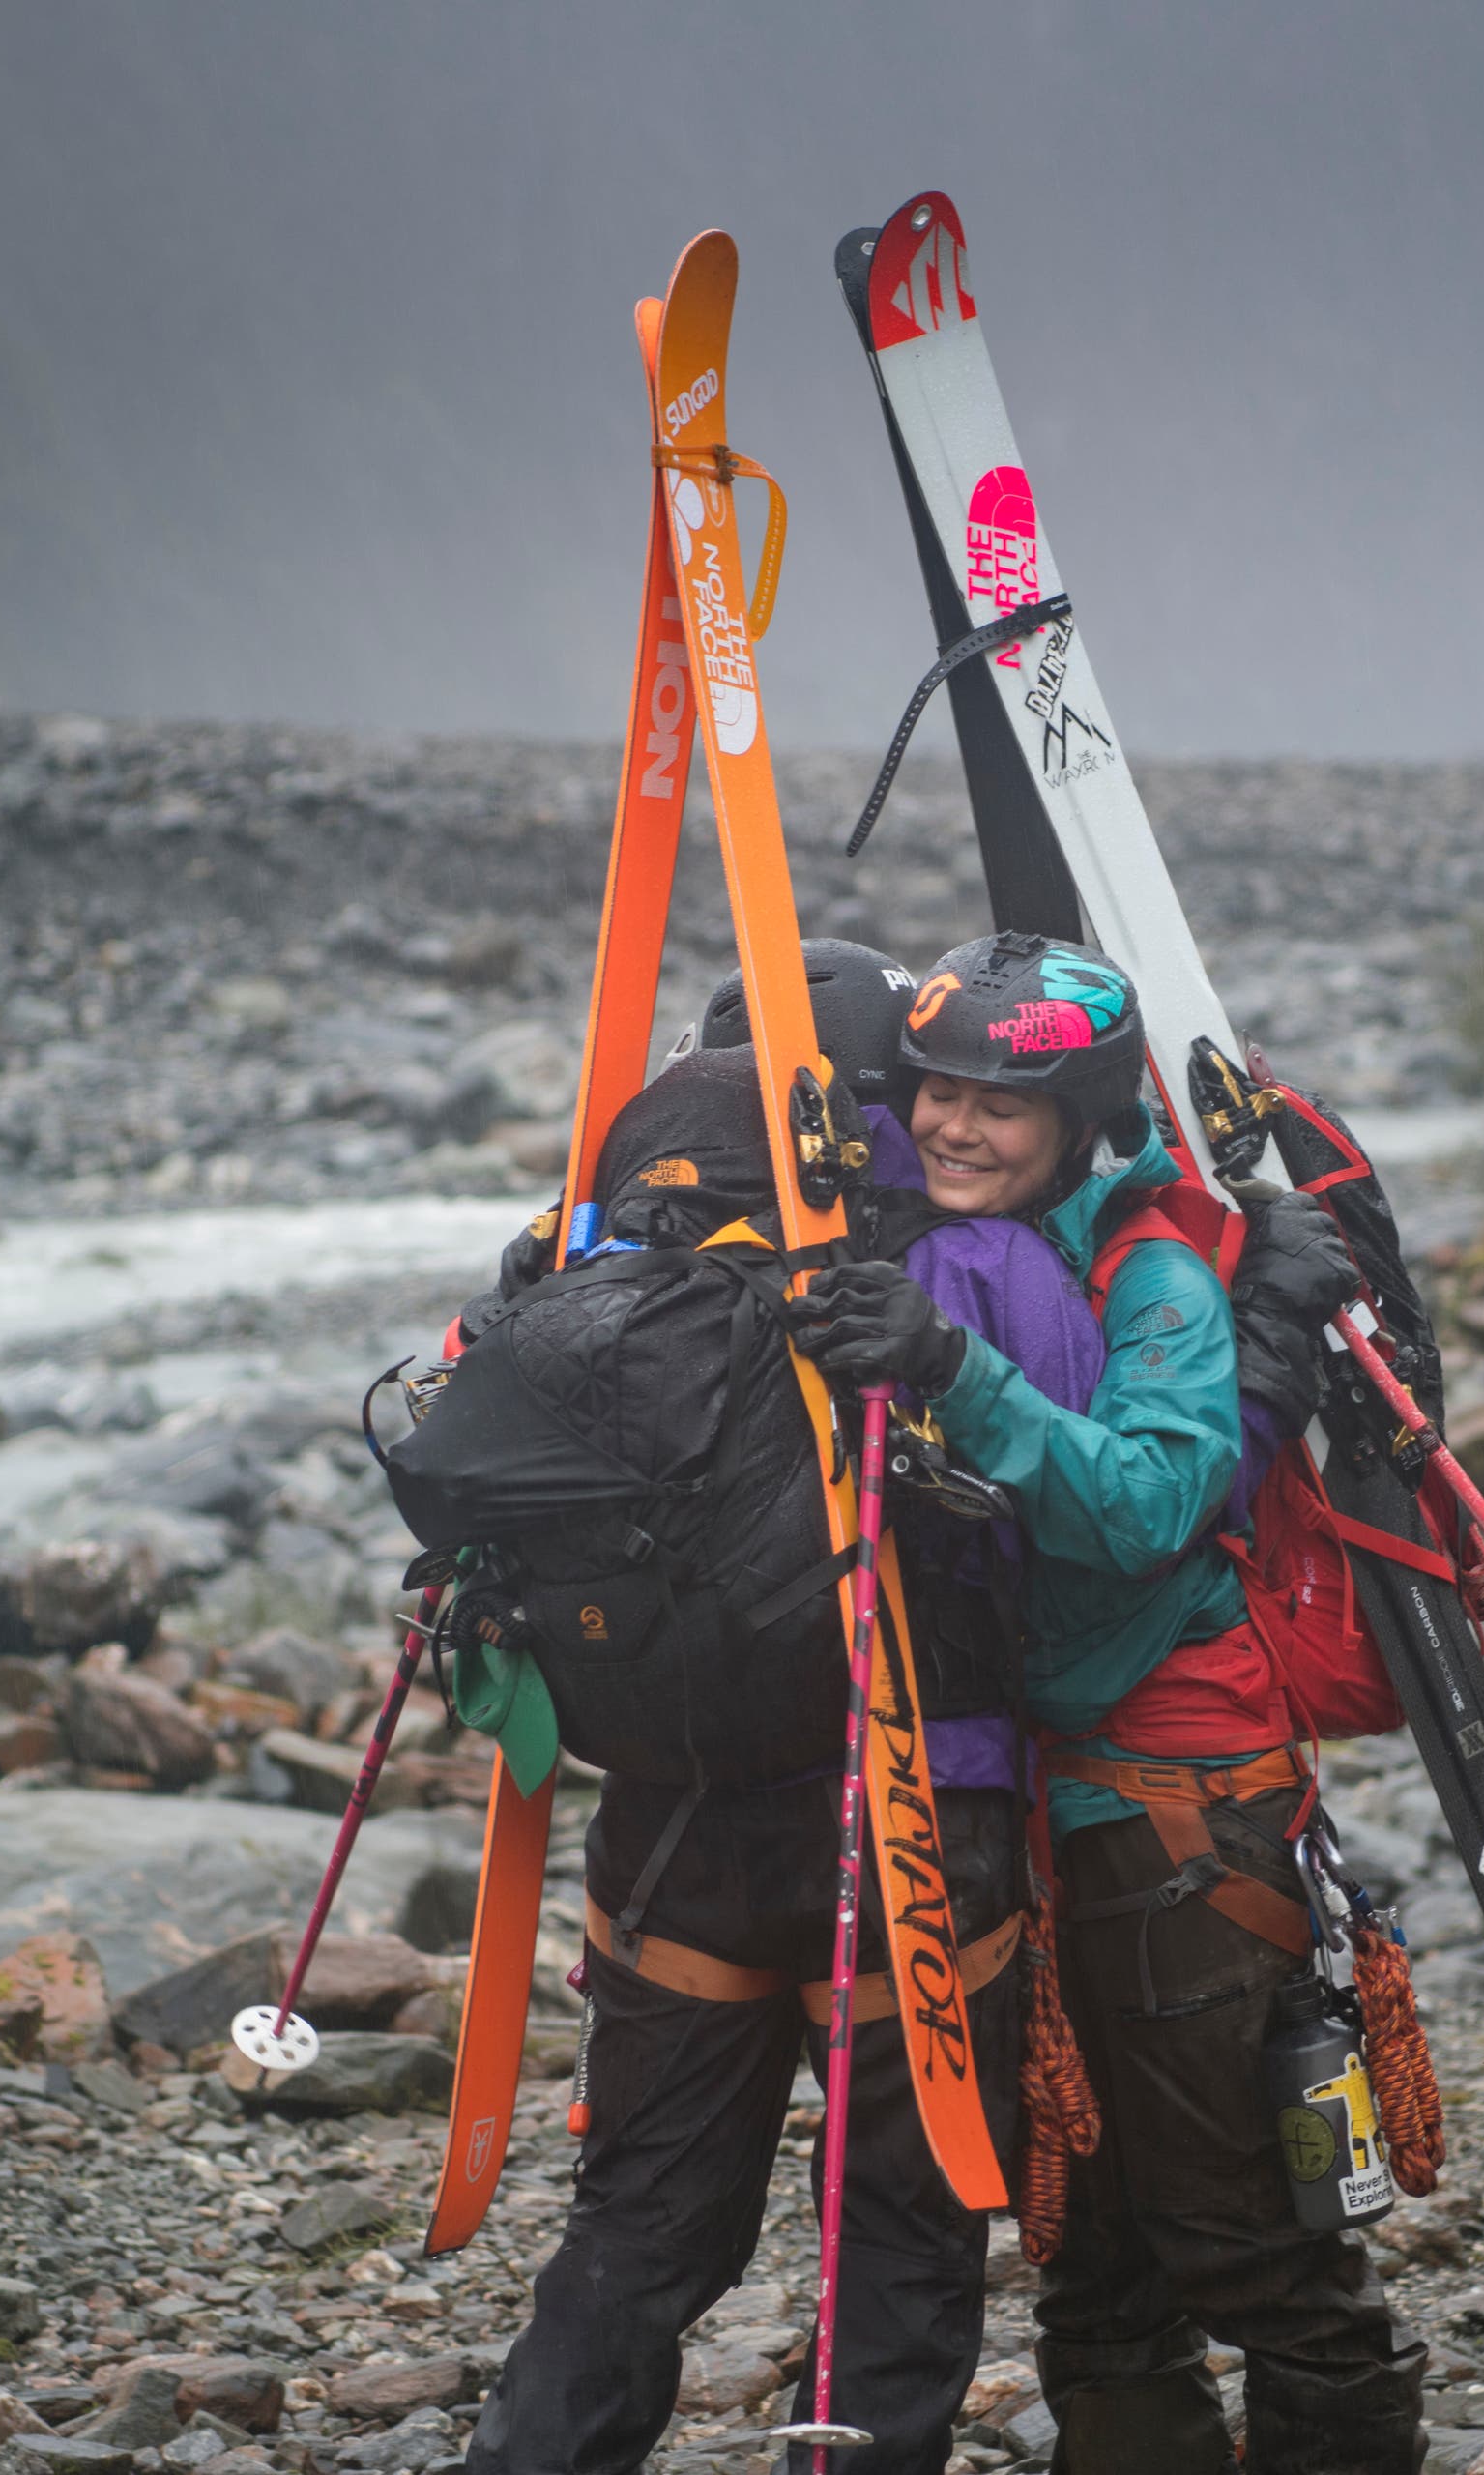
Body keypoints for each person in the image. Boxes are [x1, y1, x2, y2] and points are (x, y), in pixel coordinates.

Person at [465, 952, 1106, 2475]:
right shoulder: (968, 1267)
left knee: (637, 2232)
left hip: (673, 1818)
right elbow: (1073, 1540)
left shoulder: (591, 1256)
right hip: (908, 1822)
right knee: (893, 2235)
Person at [792, 932, 1419, 2475]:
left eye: (1001, 1104)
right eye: (936, 1089)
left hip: (1180, 1817)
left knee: (1243, 2238)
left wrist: (955, 1369)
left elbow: (1149, 1502)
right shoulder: (940, 1239)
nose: (953, 1124)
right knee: (1089, 2245)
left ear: (1084, 1120)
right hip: (1031, 1810)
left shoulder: (1152, 1273)